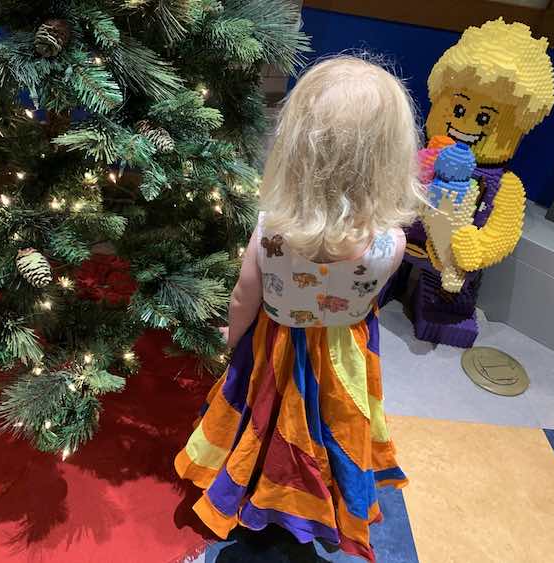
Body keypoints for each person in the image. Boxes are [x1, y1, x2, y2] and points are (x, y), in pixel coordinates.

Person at [174, 56, 424, 562]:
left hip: (274, 345)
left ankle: (251, 489)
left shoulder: (271, 229)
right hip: (342, 355)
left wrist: (231, 337)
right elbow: (367, 301)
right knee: (331, 423)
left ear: (295, 147)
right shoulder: (392, 242)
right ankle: (316, 498)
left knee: (262, 415)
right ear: (391, 157)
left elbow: (244, 296)